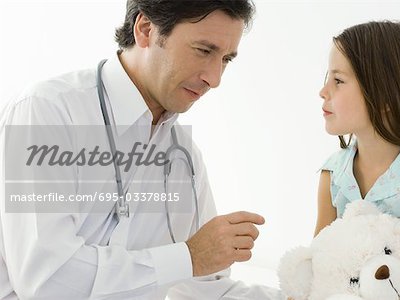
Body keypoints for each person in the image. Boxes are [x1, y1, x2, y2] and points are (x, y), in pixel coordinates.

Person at [0, 0, 285, 299]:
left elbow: (204, 288)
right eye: (204, 50)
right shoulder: (47, 113)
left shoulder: (184, 157)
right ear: (146, 30)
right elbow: (47, 282)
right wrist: (188, 257)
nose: (214, 79)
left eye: (226, 59)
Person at [316, 21, 400, 299]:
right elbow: (321, 263)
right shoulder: (333, 174)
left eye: (338, 81)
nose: (323, 91)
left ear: (385, 96)